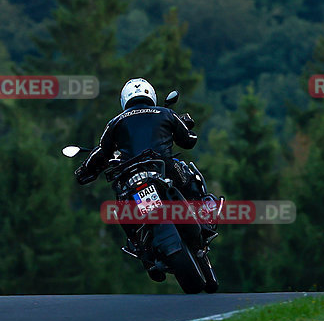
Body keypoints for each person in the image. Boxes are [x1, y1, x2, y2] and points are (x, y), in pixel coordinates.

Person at [74, 78, 220, 279]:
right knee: (187, 175)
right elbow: (188, 141)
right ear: (150, 94)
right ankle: (205, 210)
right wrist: (186, 126)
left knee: (122, 206)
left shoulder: (115, 122)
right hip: (164, 168)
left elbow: (102, 152)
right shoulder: (165, 112)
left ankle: (139, 245)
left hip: (131, 176)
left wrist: (84, 171)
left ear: (124, 99)